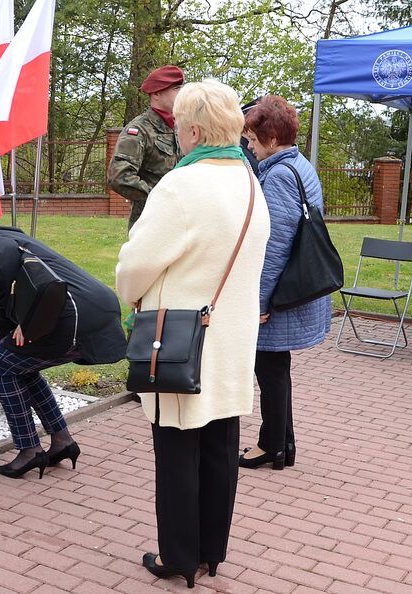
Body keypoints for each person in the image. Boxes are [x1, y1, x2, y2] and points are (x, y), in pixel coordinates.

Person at [116, 80, 270, 588]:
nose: (176, 134)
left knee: (177, 454)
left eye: (180, 126)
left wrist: (131, 291)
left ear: (196, 131)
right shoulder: (249, 180)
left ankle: (180, 558)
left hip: (181, 343)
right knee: (221, 451)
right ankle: (210, 553)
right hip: (231, 342)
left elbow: (134, 267)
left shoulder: (180, 185)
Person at [0, 221, 127, 479]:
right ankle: (62, 441)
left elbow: (9, 256)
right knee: (15, 365)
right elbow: (5, 326)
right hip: (88, 308)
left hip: (70, 315)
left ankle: (30, 450)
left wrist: (28, 316)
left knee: (2, 366)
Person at [240, 95, 331, 471]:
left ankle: (271, 446)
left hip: (280, 291)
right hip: (295, 284)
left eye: (252, 139)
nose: (248, 146)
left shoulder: (277, 176)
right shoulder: (300, 164)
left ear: (273, 138)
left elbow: (274, 246)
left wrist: (259, 302)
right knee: (276, 368)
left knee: (269, 369)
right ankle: (283, 444)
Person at [108, 65, 184, 228]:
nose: (182, 93)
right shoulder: (139, 130)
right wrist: (160, 196)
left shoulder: (181, 128)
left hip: (181, 219)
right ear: (156, 93)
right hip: (150, 221)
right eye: (176, 89)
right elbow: (118, 176)